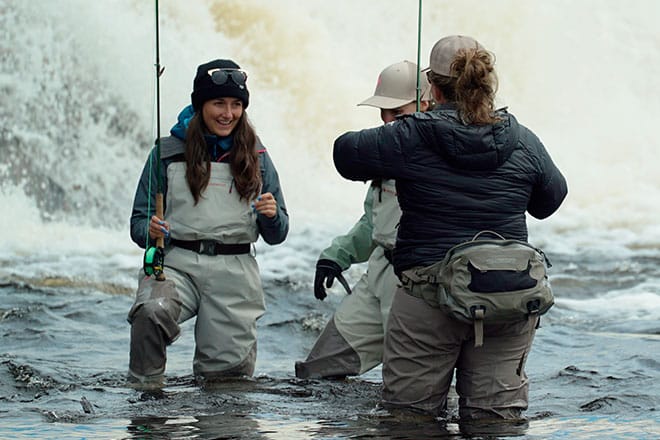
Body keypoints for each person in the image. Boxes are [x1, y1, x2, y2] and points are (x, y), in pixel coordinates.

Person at [333, 36, 568, 423]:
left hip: (428, 299)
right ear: (487, 84)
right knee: (496, 423)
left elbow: (345, 154)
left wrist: (407, 130)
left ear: (433, 87)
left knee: (411, 422)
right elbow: (550, 201)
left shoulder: (412, 134)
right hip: (507, 301)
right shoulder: (522, 139)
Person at [127, 59, 289, 387]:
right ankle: (145, 399)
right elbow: (138, 223)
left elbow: (278, 233)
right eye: (218, 103)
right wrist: (150, 230)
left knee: (226, 390)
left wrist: (271, 217)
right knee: (150, 311)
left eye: (236, 104)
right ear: (199, 105)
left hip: (235, 274)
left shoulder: (258, 157)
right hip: (177, 265)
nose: (227, 113)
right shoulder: (166, 152)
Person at [295, 61, 432, 379]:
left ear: (424, 104)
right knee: (316, 373)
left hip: (416, 283)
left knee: (411, 389)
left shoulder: (441, 153)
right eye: (382, 111)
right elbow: (373, 221)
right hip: (377, 276)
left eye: (396, 111)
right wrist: (337, 255)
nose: (386, 120)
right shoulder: (385, 152)